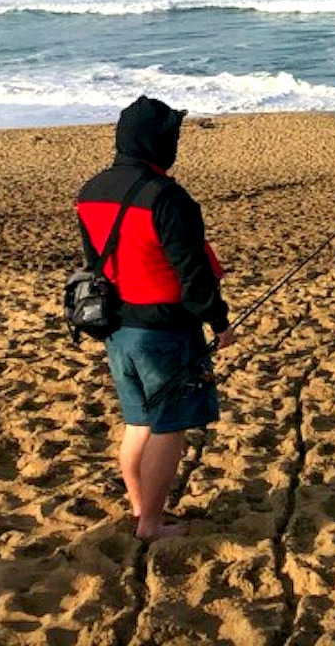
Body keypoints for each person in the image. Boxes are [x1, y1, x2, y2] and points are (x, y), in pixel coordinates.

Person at [76, 95, 236, 540]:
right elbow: (193, 273)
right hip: (165, 330)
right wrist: (219, 323)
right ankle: (150, 522)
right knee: (169, 427)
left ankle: (137, 507)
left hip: (118, 328)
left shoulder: (90, 192)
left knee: (138, 423)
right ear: (157, 141)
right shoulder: (168, 197)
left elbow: (96, 264)